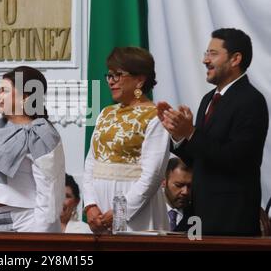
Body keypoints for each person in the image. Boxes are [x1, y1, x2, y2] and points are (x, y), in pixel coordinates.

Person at [158, 28, 269, 236]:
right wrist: (178, 135)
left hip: (231, 219)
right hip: (200, 216)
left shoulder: (251, 100)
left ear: (235, 59)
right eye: (205, 53)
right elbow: (200, 159)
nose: (205, 60)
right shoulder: (208, 99)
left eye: (213, 54)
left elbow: (235, 158)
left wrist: (191, 132)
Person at [0, 10, 65, 232]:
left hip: (29, 223)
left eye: (4, 91)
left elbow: (50, 194)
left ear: (26, 97)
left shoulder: (43, 135)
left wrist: (39, 241)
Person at [83, 47, 170, 233]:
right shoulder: (106, 113)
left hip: (136, 210)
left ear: (140, 79)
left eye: (118, 75)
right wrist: (90, 205)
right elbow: (91, 162)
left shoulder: (155, 116)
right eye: (109, 76)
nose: (111, 82)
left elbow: (152, 175)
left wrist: (120, 211)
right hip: (100, 209)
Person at [163, 157, 193, 232]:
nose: (185, 192)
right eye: (178, 185)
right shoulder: (150, 212)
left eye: (190, 186)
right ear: (163, 182)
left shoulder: (197, 217)